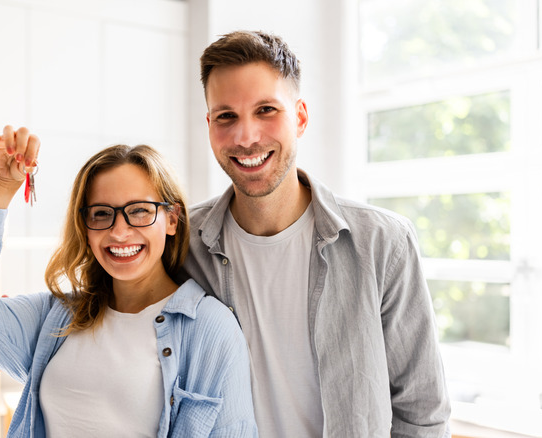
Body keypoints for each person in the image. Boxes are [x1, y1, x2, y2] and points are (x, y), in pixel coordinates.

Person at [180, 30, 451, 437]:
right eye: (226, 116)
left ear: (300, 117)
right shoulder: (181, 243)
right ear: (209, 125)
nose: (246, 136)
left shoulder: (383, 242)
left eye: (266, 110)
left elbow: (422, 413)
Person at [0, 127, 257, 437]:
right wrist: (0, 184)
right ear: (84, 227)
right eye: (101, 213)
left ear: (171, 219)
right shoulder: (55, 318)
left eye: (139, 211)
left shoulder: (210, 329)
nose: (119, 231)